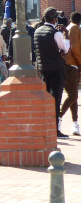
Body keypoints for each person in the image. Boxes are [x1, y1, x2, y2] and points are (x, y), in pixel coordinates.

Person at [34, 7, 70, 138]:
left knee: (45, 98)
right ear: (55, 19)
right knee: (56, 99)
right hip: (56, 69)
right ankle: (55, 129)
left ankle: (45, 127)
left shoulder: (37, 31)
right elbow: (65, 49)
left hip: (43, 69)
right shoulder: (56, 33)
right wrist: (66, 33)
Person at [61, 11, 81, 136]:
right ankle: (58, 116)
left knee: (72, 94)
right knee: (73, 95)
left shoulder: (68, 27)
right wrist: (80, 62)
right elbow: (75, 47)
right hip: (71, 64)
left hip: (66, 64)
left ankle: (75, 123)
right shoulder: (74, 28)